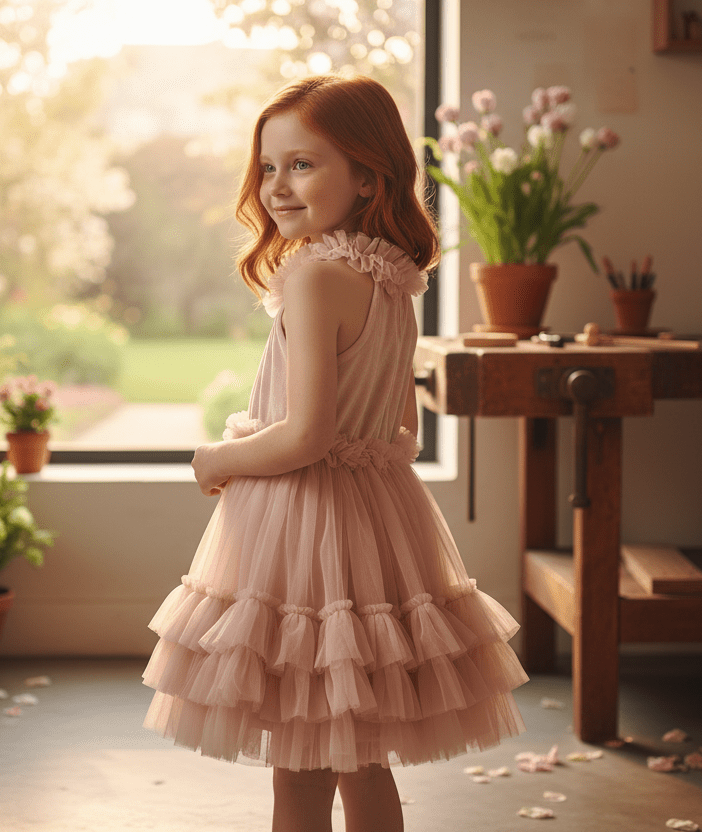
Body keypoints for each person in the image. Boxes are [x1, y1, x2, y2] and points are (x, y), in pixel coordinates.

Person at [142, 74, 528, 832]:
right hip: (375, 521)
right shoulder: (391, 278)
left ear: (366, 176)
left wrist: (218, 459)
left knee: (302, 765)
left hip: (306, 523)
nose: (277, 187)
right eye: (268, 167)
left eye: (303, 165)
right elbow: (389, 428)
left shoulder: (315, 274)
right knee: (359, 752)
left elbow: (308, 435)